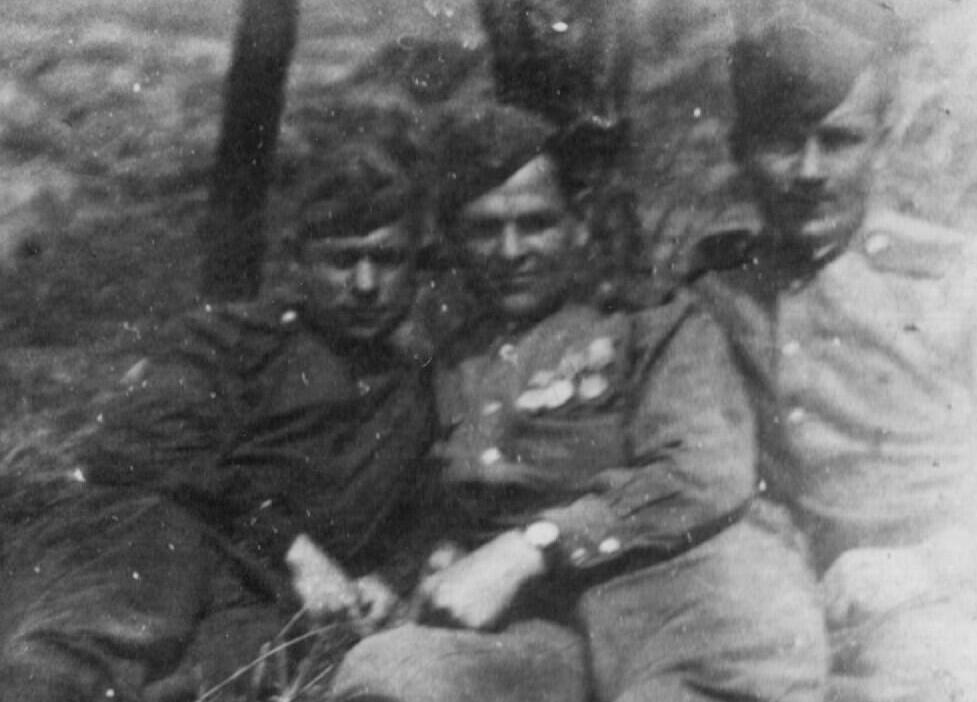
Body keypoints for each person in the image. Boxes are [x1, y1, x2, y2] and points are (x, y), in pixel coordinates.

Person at [330, 101, 827, 702]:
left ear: (578, 222)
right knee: (387, 675)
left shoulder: (653, 323)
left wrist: (528, 548)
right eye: (485, 229)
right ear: (453, 237)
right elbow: (439, 497)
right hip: (545, 630)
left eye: (536, 223)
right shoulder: (449, 352)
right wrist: (407, 571)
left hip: (688, 599)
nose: (511, 251)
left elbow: (703, 473)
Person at [0, 129, 439, 701]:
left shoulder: (422, 384)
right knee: (70, 668)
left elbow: (433, 509)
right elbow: (133, 449)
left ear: (416, 266)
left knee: (212, 682)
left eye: (386, 259)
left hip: (262, 602)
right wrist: (291, 546)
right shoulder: (232, 339)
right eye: (341, 260)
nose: (365, 284)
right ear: (297, 261)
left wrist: (390, 580)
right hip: (155, 558)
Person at [691, 1, 977, 699]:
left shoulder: (951, 279)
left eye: (839, 140)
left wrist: (927, 566)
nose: (810, 171)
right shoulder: (719, 287)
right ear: (739, 151)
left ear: (880, 142)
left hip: (933, 592)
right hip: (779, 594)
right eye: (783, 144)